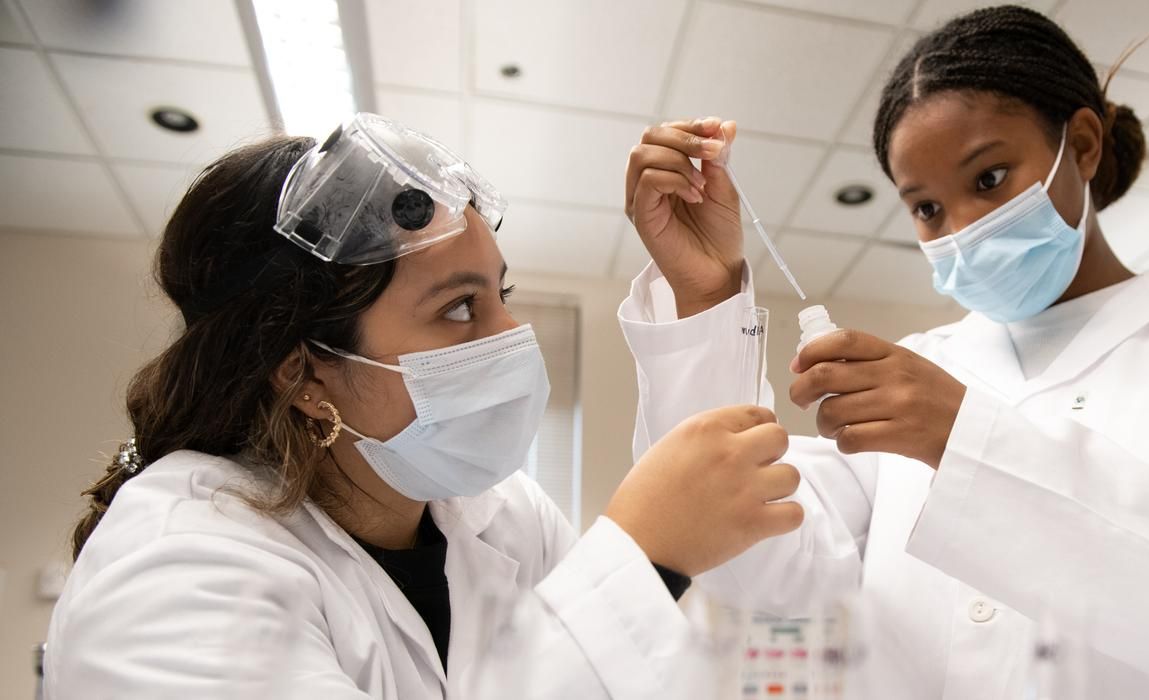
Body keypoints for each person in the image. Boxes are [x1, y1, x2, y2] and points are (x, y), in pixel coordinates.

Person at [44, 113, 804, 699]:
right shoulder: (179, 566)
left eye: (499, 295)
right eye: (458, 309)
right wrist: (636, 559)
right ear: (304, 373)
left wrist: (703, 297)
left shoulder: (500, 517)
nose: (511, 337)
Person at [619, 6, 1149, 698]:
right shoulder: (917, 370)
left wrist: (962, 437)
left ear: (1084, 144)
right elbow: (751, 567)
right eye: (924, 208)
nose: (962, 228)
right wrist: (704, 295)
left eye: (988, 178)